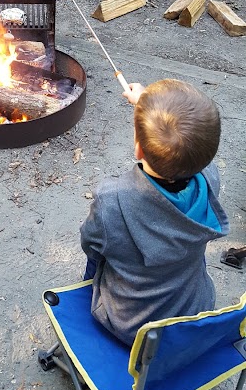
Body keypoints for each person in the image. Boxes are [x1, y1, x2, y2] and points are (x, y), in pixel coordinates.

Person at [80, 78, 229, 347]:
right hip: (193, 313)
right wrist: (145, 103)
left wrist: (147, 111)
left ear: (138, 148)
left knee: (99, 252)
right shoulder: (211, 179)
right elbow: (186, 139)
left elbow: (89, 245)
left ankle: (83, 306)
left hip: (132, 327)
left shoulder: (113, 200)